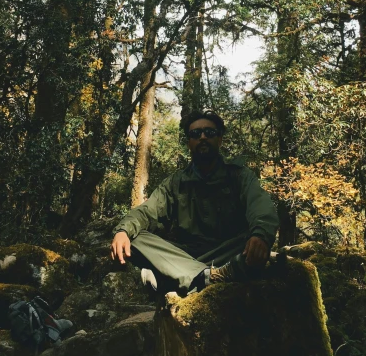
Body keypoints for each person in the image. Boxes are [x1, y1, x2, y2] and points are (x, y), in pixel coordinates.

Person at [110, 110, 279, 295]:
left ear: (220, 139)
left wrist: (261, 235)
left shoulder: (239, 175)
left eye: (210, 133)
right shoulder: (176, 182)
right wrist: (123, 231)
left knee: (251, 239)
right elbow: (146, 211)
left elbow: (260, 205)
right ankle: (206, 276)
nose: (203, 137)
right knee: (135, 238)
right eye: (196, 134)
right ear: (189, 143)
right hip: (186, 254)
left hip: (226, 251)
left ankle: (174, 277)